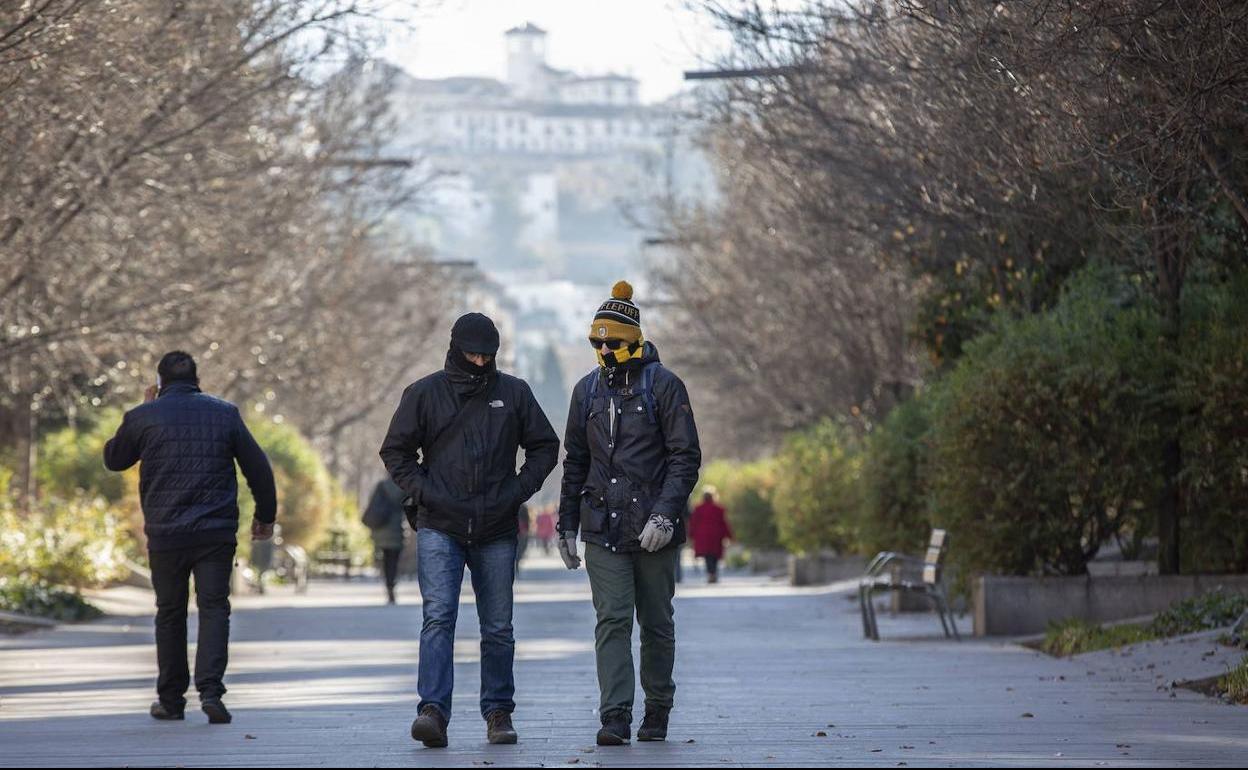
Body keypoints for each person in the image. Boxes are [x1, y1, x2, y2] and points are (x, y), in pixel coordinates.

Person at [380, 312, 560, 748]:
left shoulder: (513, 393)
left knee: (497, 625)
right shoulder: (424, 394)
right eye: (473, 354)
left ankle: (498, 712)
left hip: (497, 526)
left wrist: (516, 491)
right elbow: (395, 451)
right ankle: (432, 711)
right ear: (455, 350)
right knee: (438, 618)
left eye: (487, 356)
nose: (480, 362)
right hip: (439, 525)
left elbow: (545, 446)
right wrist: (427, 492)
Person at [557, 281, 701, 746]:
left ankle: (657, 707)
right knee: (612, 620)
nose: (603, 349)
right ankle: (614, 714)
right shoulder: (586, 392)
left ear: (634, 339)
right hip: (603, 526)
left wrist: (665, 515)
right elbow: (575, 460)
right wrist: (565, 522)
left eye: (612, 342)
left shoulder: (665, 386)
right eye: (596, 342)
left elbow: (685, 457)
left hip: (653, 528)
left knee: (656, 622)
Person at [103, 350, 276, 725]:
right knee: (214, 608)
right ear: (198, 380)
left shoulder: (143, 416)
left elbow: (114, 459)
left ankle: (171, 700)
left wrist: (141, 410)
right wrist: (265, 517)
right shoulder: (224, 413)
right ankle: (211, 693)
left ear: (160, 382)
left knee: (170, 613)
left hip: (166, 535)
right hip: (215, 533)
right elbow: (258, 468)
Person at [363, 477, 407, 605]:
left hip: (381, 530)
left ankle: (388, 584)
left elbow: (372, 503)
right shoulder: (402, 487)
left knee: (385, 560)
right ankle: (391, 585)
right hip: (396, 531)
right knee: (393, 562)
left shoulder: (381, 485)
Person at [689, 486, 734, 584]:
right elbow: (724, 523)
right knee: (715, 555)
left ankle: (711, 574)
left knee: (707, 556)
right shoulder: (719, 509)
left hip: (702, 536)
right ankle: (713, 574)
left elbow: (693, 523)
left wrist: (691, 535)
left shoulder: (698, 509)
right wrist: (729, 536)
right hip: (716, 536)